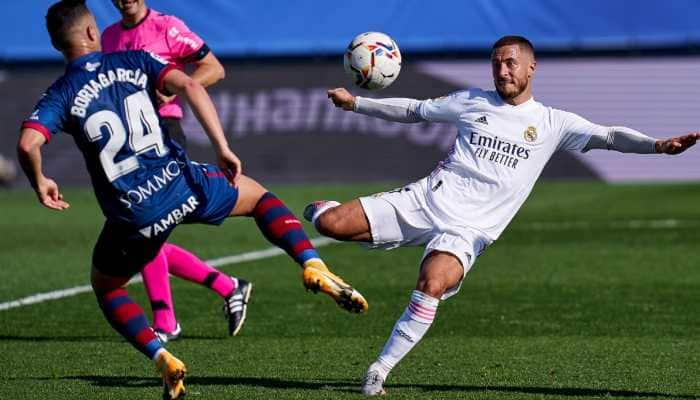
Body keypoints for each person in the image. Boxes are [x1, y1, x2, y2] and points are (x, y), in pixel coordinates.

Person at [306, 35, 700, 396]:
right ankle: (320, 209)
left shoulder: (552, 122)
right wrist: (355, 102)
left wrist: (658, 146)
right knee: (330, 224)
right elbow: (414, 110)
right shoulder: (472, 101)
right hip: (426, 200)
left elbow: (609, 136)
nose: (502, 71)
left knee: (432, 284)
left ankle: (379, 369)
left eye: (510, 63)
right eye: (496, 63)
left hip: (468, 230)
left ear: (531, 68)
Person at [18, 1, 367, 398]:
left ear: (55, 44)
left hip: (132, 214)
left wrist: (40, 181)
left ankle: (161, 355)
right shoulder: (133, 59)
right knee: (258, 198)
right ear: (93, 33)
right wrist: (221, 147)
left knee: (108, 288)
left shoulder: (60, 92)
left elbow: (28, 143)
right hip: (179, 183)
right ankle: (312, 263)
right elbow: (192, 84)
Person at [103, 0, 241, 341]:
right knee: (146, 229)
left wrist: (168, 89)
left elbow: (214, 68)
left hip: (163, 133)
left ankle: (166, 321)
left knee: (144, 227)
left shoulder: (167, 27)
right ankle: (228, 285)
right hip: (126, 143)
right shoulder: (108, 37)